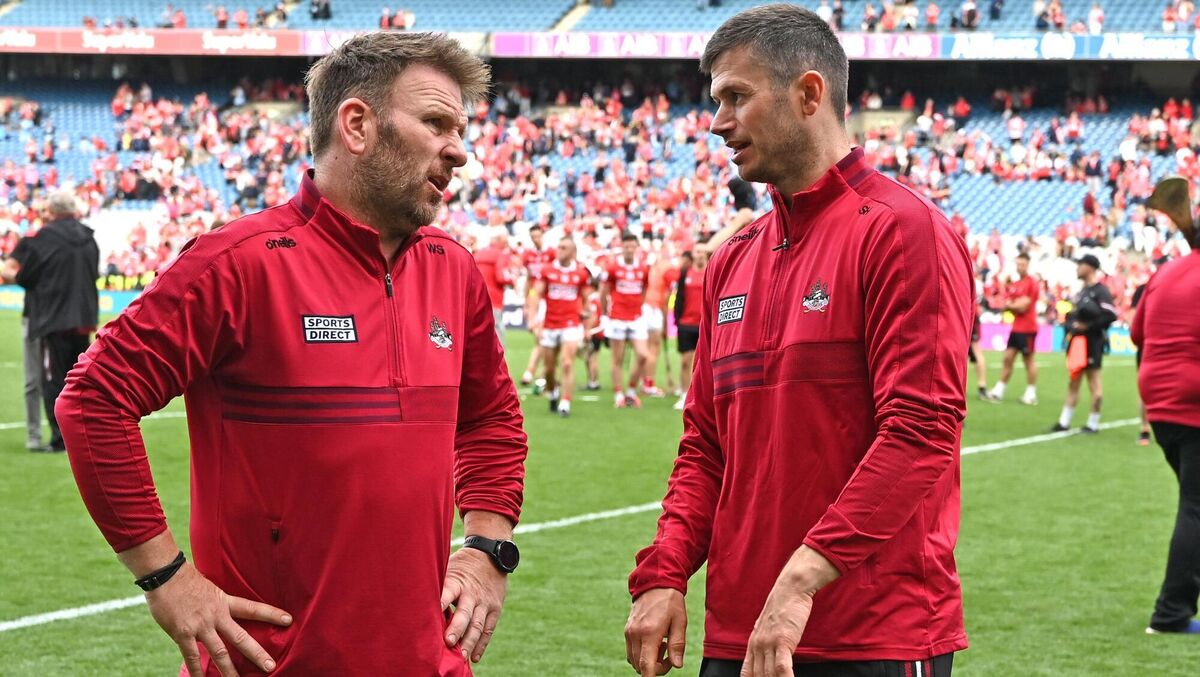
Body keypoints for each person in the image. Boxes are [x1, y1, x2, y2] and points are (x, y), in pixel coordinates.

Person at [56, 32, 527, 675]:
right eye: (436, 122)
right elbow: (94, 400)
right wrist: (166, 577)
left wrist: (486, 548)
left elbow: (492, 418)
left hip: (430, 658)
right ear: (356, 125)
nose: (461, 151)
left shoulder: (454, 270)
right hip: (272, 661)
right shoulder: (237, 263)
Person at [624, 6, 972, 677]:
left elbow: (921, 430)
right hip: (741, 632)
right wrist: (665, 571)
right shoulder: (732, 259)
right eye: (716, 100)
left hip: (870, 633)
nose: (719, 121)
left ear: (809, 94)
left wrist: (802, 579)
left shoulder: (903, 231)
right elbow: (704, 442)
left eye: (737, 97)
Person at [1131, 240, 1200, 636]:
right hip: (1192, 403)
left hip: (1160, 404)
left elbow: (1139, 332)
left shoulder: (1166, 272)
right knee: (1197, 505)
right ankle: (1170, 614)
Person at [2, 190, 99, 453]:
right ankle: (84, 435)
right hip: (84, 318)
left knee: (53, 380)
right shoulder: (89, 238)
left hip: (53, 319)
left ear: (52, 212)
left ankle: (59, 438)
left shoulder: (45, 238)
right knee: (79, 380)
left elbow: (25, 277)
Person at [1050, 254, 1117, 433]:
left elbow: (1111, 314)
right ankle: (1064, 422)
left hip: (1093, 342)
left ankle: (1093, 423)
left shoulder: (1100, 291)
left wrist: (1089, 326)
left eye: (1081, 264)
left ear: (1090, 268)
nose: (1078, 268)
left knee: (1094, 383)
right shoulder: (1082, 292)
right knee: (1074, 381)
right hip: (1078, 342)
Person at [528, 236, 592, 417]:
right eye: (559, 247)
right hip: (550, 324)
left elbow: (587, 300)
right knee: (549, 369)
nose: (560, 250)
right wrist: (532, 318)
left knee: (567, 362)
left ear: (572, 252)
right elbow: (536, 294)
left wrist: (586, 320)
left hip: (571, 323)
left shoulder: (580, 273)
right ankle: (553, 391)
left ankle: (565, 402)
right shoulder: (547, 271)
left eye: (564, 248)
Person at [600, 232, 651, 408]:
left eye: (632, 246)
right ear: (622, 248)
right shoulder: (613, 268)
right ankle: (618, 393)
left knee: (643, 355)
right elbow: (604, 292)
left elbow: (644, 290)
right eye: (626, 246)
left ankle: (630, 391)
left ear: (636, 248)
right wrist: (605, 312)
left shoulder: (643, 268)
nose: (629, 249)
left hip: (636, 317)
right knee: (617, 358)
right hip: (617, 317)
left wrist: (638, 306)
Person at [986, 252, 1040, 405]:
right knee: (1007, 358)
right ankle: (998, 390)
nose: (1020, 267)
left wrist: (1010, 305)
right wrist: (1010, 305)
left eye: (1022, 264)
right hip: (1016, 328)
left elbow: (1023, 306)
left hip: (1028, 328)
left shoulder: (1031, 283)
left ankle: (1031, 393)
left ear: (1028, 264)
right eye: (1018, 264)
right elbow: (1007, 304)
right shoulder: (1016, 284)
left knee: (1028, 360)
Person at [665, 247, 706, 411]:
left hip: (704, 325)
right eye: (697, 252)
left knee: (704, 364)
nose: (700, 254)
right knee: (685, 361)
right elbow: (677, 296)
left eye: (702, 252)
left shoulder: (712, 270)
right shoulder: (685, 273)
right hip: (686, 323)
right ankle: (684, 395)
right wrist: (677, 319)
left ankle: (702, 398)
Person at [520, 223, 553, 390]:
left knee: (543, 338)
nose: (535, 239)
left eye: (538, 236)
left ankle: (532, 372)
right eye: (533, 237)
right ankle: (540, 375)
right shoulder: (528, 255)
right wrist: (526, 301)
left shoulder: (552, 253)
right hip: (535, 299)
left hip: (549, 300)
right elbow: (528, 279)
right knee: (541, 339)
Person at [473, 226, 516, 344]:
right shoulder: (500, 255)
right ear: (498, 240)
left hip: (475, 299)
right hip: (493, 299)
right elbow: (501, 277)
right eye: (505, 240)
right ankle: (499, 360)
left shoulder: (479, 254)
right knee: (496, 330)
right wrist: (513, 281)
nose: (506, 243)